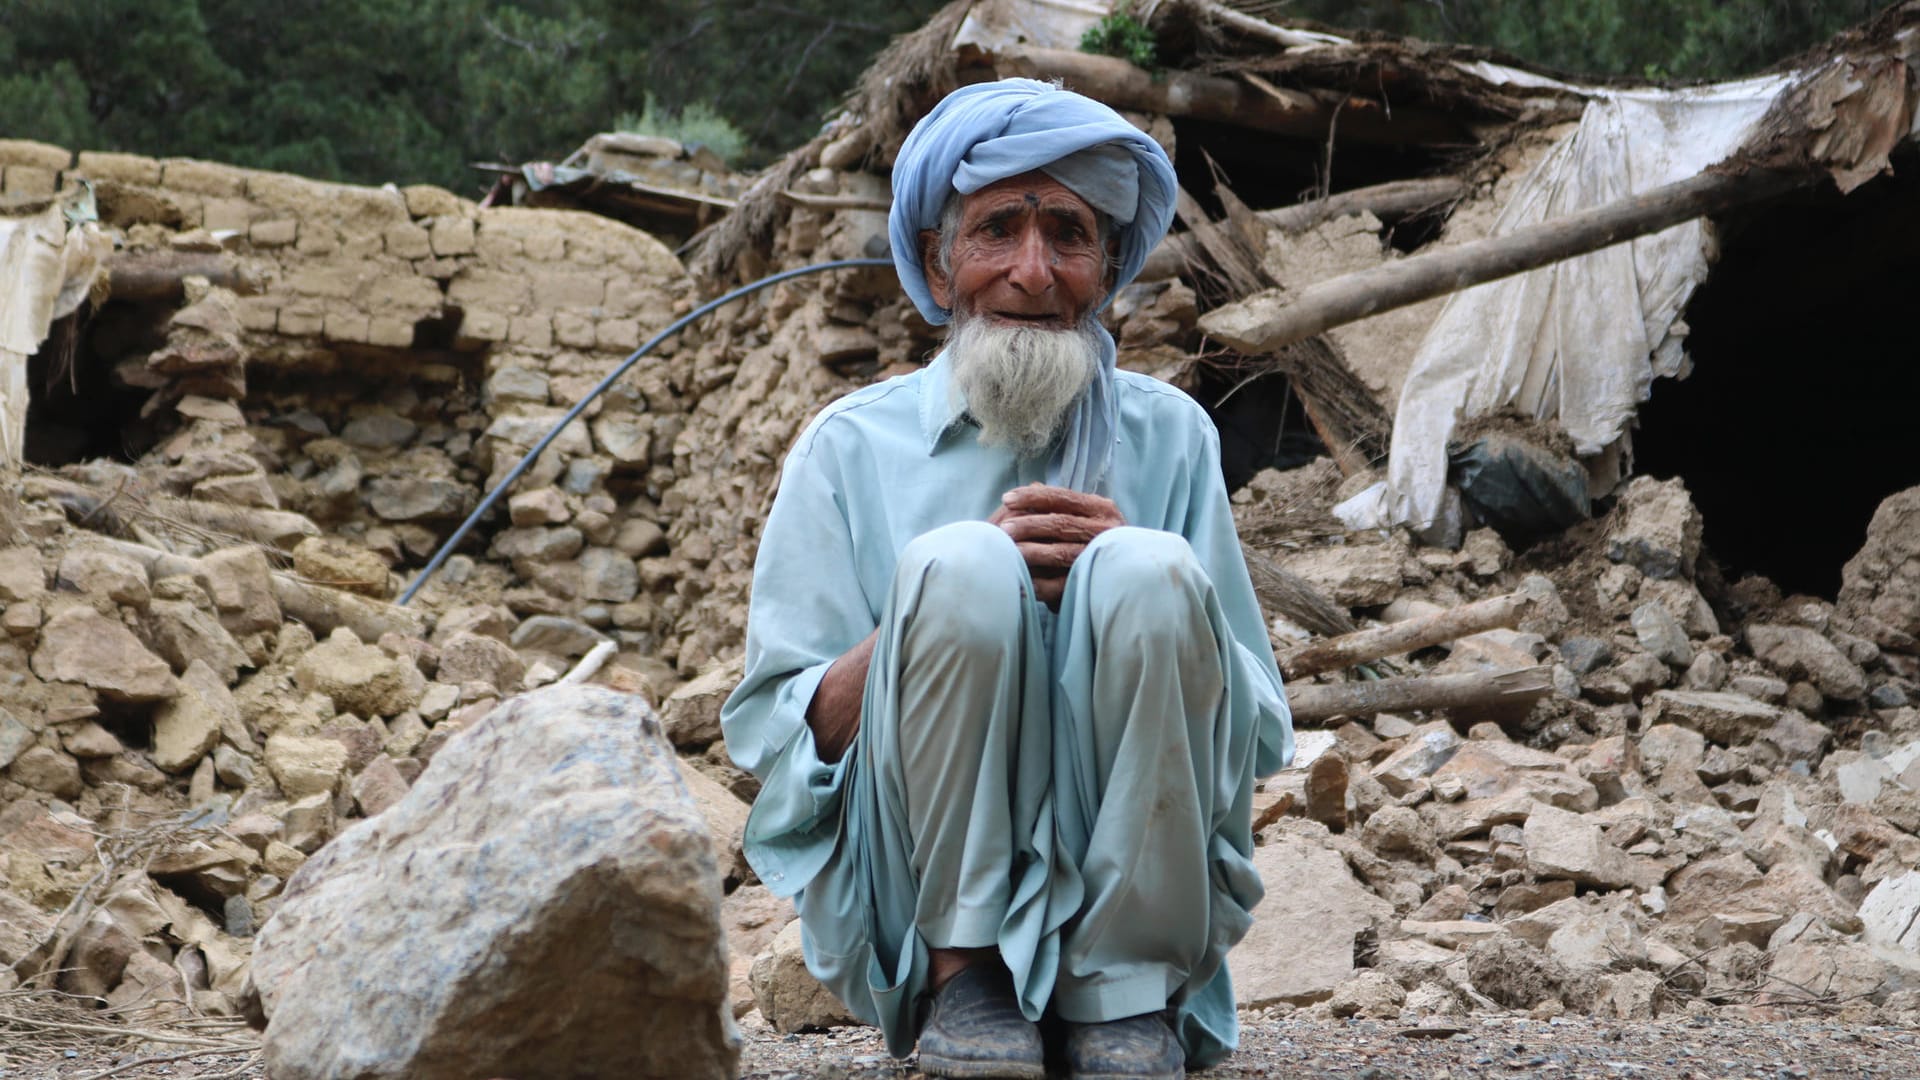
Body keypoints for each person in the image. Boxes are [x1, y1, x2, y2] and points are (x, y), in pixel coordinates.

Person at [721, 78, 1293, 1080]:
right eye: (996, 232)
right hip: (910, 892)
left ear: (1107, 266)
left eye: (1067, 234)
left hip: (1146, 917)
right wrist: (923, 618)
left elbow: (1256, 730)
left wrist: (1151, 592)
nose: (1033, 273)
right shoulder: (847, 450)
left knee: (1153, 568)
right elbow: (776, 734)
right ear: (941, 269)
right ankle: (966, 973)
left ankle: (1124, 992)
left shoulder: (1172, 439)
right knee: (957, 562)